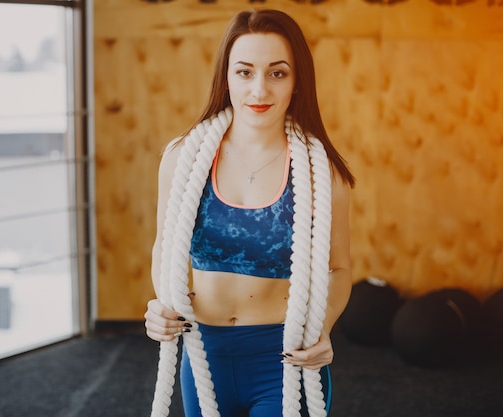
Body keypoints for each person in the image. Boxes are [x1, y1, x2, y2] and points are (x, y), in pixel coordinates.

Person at [144, 9, 354, 417]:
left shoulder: (321, 171)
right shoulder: (181, 159)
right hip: (205, 355)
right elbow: (163, 248)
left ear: (297, 82)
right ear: (226, 77)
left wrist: (323, 327)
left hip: (283, 357)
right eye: (244, 72)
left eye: (277, 73)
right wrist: (164, 304)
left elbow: (339, 269)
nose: (259, 89)